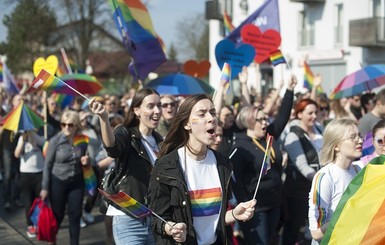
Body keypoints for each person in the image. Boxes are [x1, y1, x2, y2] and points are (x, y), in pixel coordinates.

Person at [148, 94, 256, 245]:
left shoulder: (223, 163)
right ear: (187, 124)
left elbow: (215, 219)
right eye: (201, 114)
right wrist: (171, 228)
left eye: (212, 113)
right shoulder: (166, 165)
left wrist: (235, 214)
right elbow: (156, 219)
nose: (211, 118)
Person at [89, 88, 163, 245]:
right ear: (136, 110)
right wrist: (104, 118)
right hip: (128, 218)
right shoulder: (126, 133)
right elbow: (112, 148)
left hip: (155, 221)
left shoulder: (160, 140)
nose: (157, 111)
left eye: (159, 105)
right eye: (151, 106)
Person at [229, 75, 297, 245]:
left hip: (274, 203)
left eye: (265, 118)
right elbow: (235, 180)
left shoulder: (268, 137)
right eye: (259, 120)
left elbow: (282, 117)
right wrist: (245, 205)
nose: (265, 122)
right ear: (249, 122)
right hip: (255, 209)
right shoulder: (240, 147)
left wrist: (289, 90)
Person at [308, 118, 362, 244]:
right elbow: (316, 232)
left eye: (359, 136)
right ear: (336, 146)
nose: (360, 140)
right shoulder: (325, 176)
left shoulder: (359, 170)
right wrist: (347, 216)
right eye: (352, 137)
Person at [40, 110, 89, 245]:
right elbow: (47, 165)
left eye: (70, 124)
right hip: (58, 181)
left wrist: (86, 162)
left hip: (77, 182)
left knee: (75, 215)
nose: (67, 127)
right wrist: (44, 187)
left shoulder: (83, 140)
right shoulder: (55, 141)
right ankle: (52, 240)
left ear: (76, 125)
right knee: (58, 215)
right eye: (63, 124)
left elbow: (88, 160)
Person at [282, 98, 324, 245]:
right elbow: (302, 166)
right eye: (310, 113)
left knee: (316, 226)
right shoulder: (293, 136)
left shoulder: (319, 129)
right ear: (300, 114)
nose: (314, 116)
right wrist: (320, 179)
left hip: (319, 186)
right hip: (299, 189)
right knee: (294, 227)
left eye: (316, 112)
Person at [14, 130, 45, 238]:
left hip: (39, 172)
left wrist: (37, 141)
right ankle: (30, 224)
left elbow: (46, 147)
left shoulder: (38, 136)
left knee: (39, 200)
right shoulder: (21, 138)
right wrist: (23, 141)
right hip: (26, 173)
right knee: (28, 201)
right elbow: (16, 154)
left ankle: (37, 222)